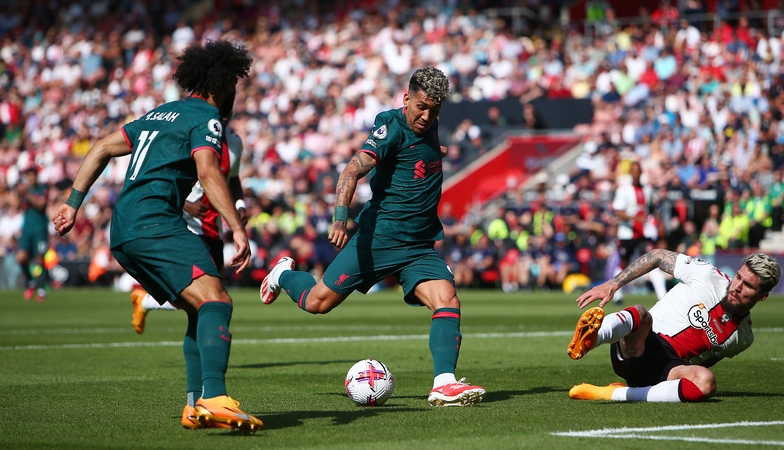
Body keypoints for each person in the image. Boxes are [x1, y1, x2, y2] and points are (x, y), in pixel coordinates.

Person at [52, 40, 262, 431]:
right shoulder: (207, 116)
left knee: (198, 309)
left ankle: (194, 406)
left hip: (125, 229)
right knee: (217, 299)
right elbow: (207, 171)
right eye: (233, 84)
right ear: (220, 84)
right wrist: (237, 227)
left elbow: (101, 147)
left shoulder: (161, 113)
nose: (234, 93)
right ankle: (215, 398)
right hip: (156, 223)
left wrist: (72, 203)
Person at [260, 67, 485, 407]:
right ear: (406, 99)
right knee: (317, 303)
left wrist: (432, 153)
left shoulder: (430, 126)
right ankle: (282, 274)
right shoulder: (391, 127)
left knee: (447, 300)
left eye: (434, 109)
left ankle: (444, 383)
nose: (426, 116)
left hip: (418, 246)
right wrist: (340, 219)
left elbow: (417, 156)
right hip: (380, 239)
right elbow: (352, 170)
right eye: (421, 107)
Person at [566, 249, 780, 402]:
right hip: (641, 344)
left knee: (707, 382)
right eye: (738, 277)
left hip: (667, 370)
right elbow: (657, 256)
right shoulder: (706, 275)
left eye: (748, 285)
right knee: (641, 314)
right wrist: (613, 284)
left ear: (762, 296)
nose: (737, 287)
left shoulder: (743, 338)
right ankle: (593, 338)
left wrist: (688, 376)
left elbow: (707, 361)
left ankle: (615, 394)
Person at [129, 113, 247, 335]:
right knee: (208, 297)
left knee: (209, 297)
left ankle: (145, 301)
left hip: (213, 228)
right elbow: (165, 176)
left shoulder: (234, 142)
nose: (223, 114)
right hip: (185, 224)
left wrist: (240, 205)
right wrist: (185, 204)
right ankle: (208, 347)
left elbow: (233, 178)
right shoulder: (189, 133)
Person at [611, 161, 666, 303]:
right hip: (627, 233)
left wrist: (659, 221)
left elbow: (651, 208)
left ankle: (662, 296)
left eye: (638, 170)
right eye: (633, 170)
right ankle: (617, 294)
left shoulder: (647, 189)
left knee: (652, 260)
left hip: (644, 233)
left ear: (641, 172)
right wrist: (635, 218)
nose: (636, 173)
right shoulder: (623, 190)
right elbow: (618, 211)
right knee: (624, 263)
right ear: (630, 173)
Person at [16, 167, 50, 301]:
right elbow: (17, 206)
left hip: (40, 229)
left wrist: (26, 194)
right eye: (29, 176)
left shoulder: (42, 189)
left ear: (36, 176)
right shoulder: (25, 191)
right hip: (27, 229)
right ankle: (31, 282)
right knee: (21, 258)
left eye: (33, 175)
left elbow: (41, 205)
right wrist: (20, 194)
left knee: (40, 259)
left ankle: (42, 289)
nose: (31, 178)